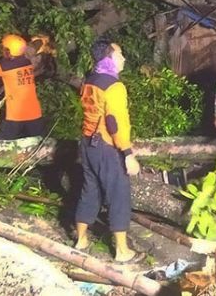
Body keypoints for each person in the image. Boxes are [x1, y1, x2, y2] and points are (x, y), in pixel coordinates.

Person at [73, 40, 143, 264]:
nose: (123, 58)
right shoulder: (114, 86)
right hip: (106, 146)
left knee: (90, 190)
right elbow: (114, 122)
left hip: (86, 143)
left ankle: (81, 240)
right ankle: (122, 252)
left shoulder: (89, 81)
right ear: (109, 58)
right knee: (118, 195)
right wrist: (127, 153)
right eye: (120, 54)